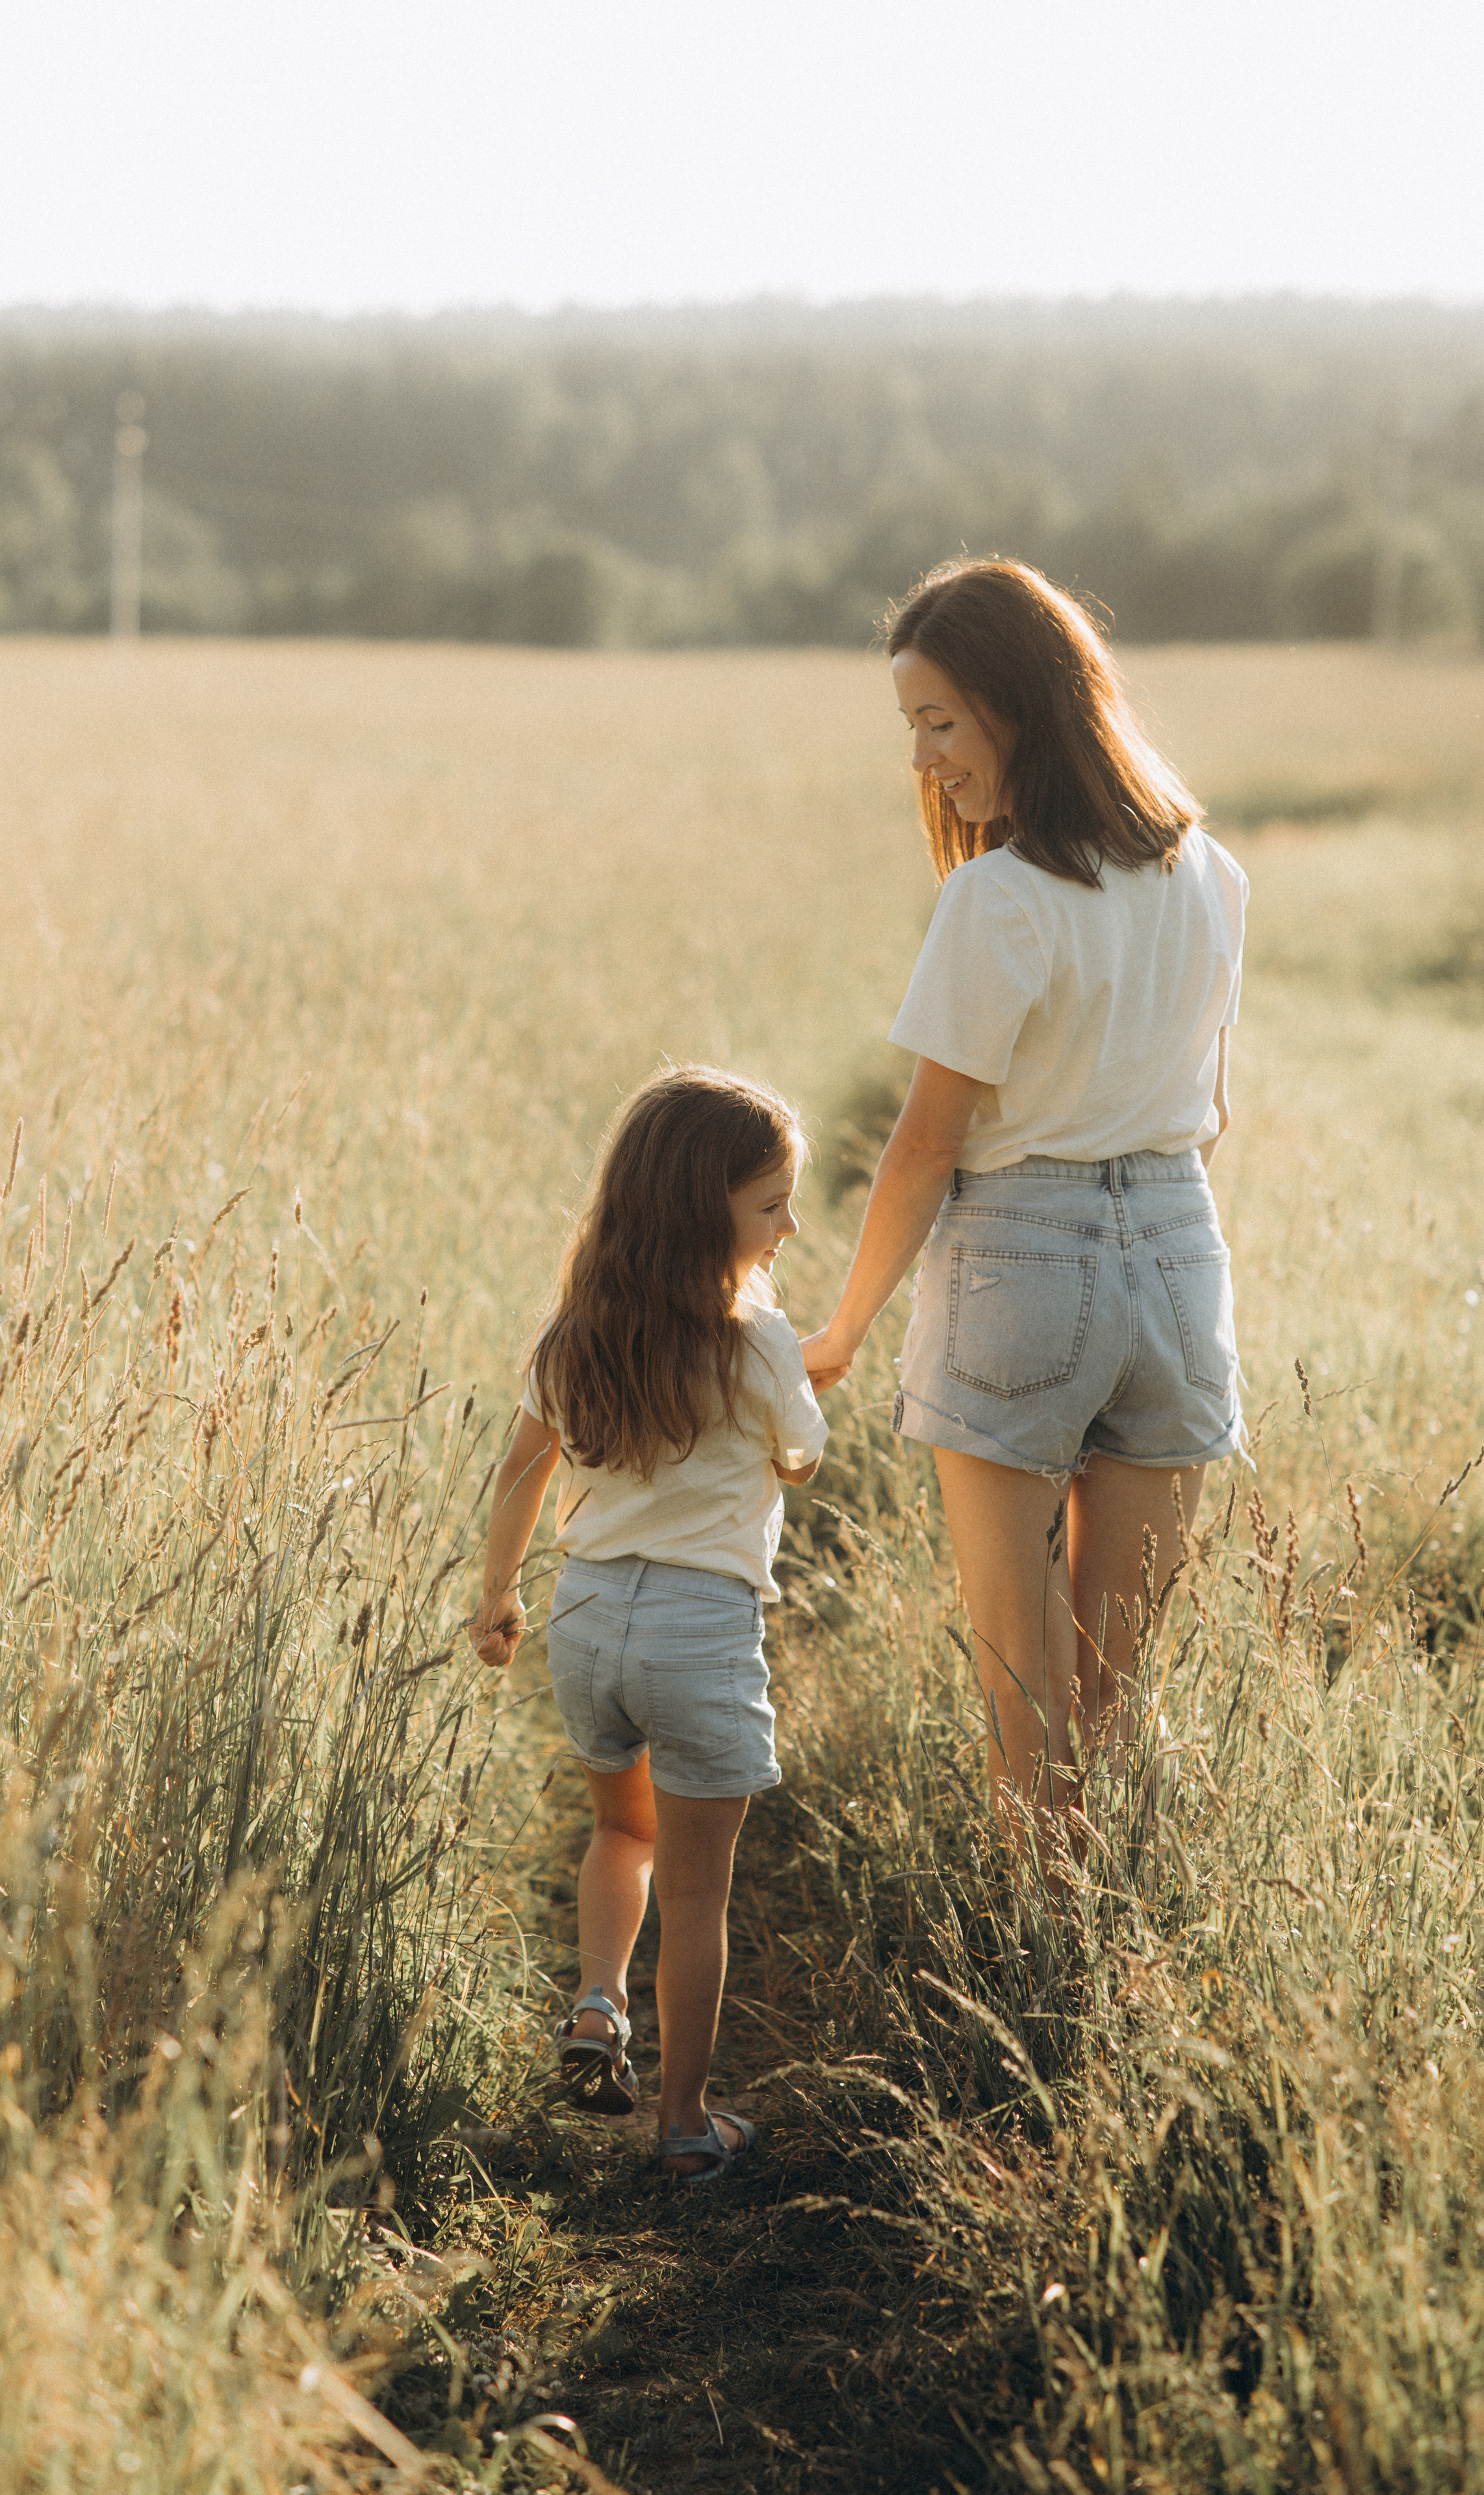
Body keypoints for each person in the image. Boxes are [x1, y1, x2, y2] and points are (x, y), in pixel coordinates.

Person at [800, 558, 1247, 1841]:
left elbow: (925, 1148)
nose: (923, 759)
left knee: (1026, 1709)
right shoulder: (1212, 873)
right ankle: (1104, 1941)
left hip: (1018, 1265)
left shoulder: (996, 896)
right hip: (1180, 1263)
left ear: (1016, 701)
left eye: (938, 721)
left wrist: (841, 1330)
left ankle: (1033, 1947)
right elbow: (1210, 1114)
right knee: (1109, 1703)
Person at [468, 1066, 826, 2182]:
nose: (789, 1228)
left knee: (622, 1835)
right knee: (700, 1891)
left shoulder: (573, 1335)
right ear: (705, 1212)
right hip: (698, 1629)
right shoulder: (758, 1343)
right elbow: (802, 1459)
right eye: (772, 1206)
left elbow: (519, 1473)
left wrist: (498, 1594)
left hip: (586, 1620)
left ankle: (596, 2002)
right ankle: (683, 2127)